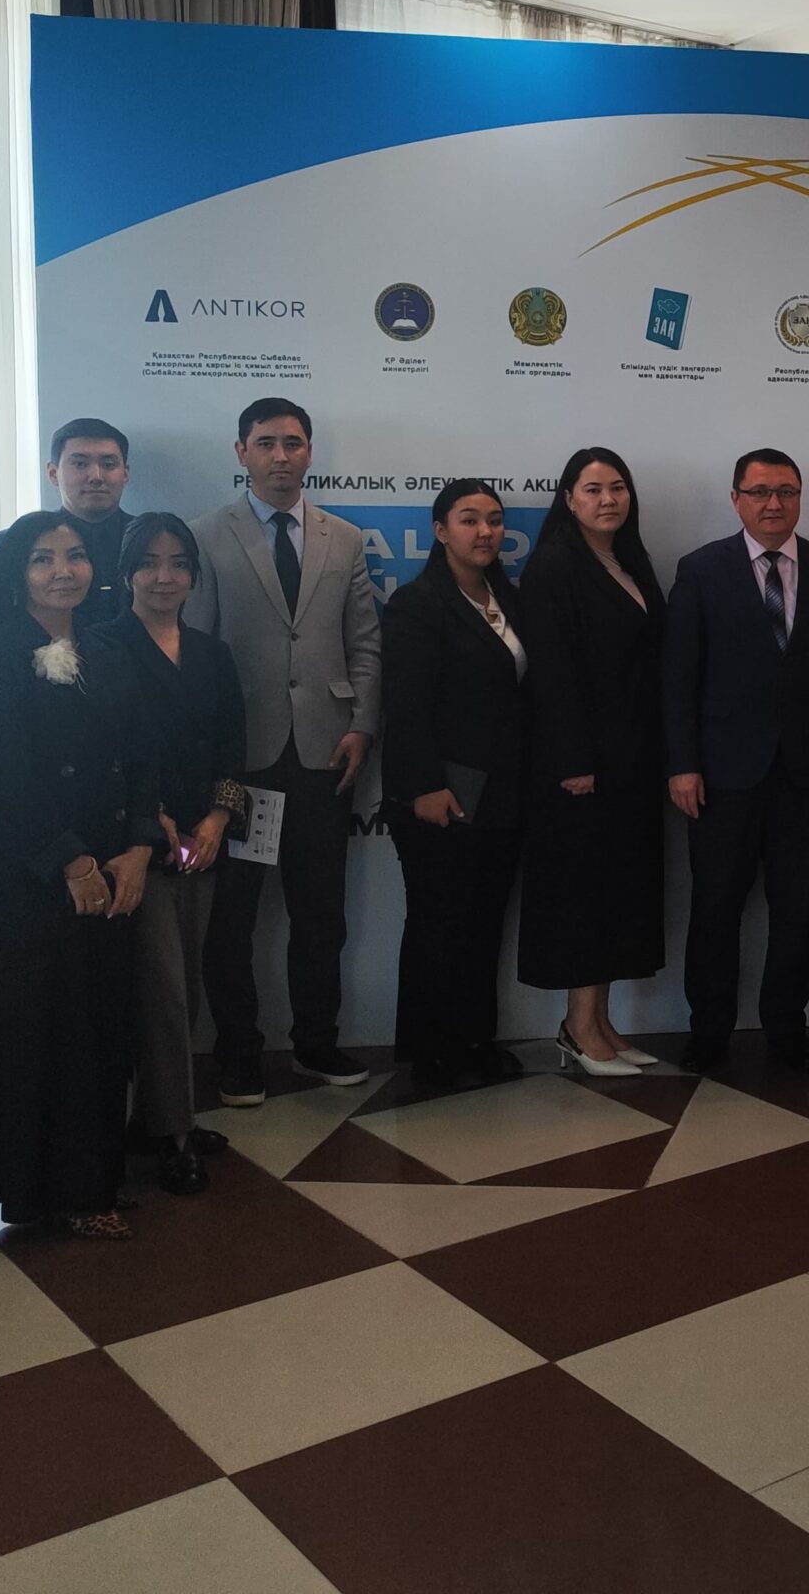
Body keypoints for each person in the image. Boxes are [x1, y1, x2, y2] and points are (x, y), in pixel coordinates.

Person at [0, 513, 157, 1238]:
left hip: (112, 867)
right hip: (29, 878)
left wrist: (138, 847)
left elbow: (142, 756)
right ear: (18, 571)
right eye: (42, 559)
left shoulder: (106, 648)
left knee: (100, 1028)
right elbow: (2, 777)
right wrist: (70, 861)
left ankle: (93, 1178)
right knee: (40, 1031)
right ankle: (41, 1191)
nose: (62, 571)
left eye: (74, 556)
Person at [187, 397, 382, 1104]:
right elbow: (197, 653)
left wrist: (362, 724)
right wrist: (211, 757)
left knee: (320, 915)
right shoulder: (204, 536)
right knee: (232, 920)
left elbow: (364, 642)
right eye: (265, 443)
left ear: (310, 452)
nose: (280, 456)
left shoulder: (344, 538)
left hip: (326, 756)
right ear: (240, 452)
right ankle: (238, 1055)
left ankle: (316, 1043)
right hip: (242, 762)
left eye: (293, 443)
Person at [662, 448, 809, 1074]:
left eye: (786, 491)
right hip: (721, 775)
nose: (773, 504)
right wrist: (683, 763)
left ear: (800, 497)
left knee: (797, 909)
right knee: (715, 906)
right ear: (735, 499)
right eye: (759, 492)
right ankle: (708, 1031)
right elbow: (679, 676)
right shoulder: (700, 569)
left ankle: (786, 1029)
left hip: (806, 773)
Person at [92, 513, 247, 1193]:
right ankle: (172, 1133)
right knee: (159, 988)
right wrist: (152, 821)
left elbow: (233, 748)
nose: (165, 577)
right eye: (150, 563)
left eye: (179, 564)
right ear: (127, 573)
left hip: (203, 845)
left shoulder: (213, 653)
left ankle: (159, 1113)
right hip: (135, 845)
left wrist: (217, 818)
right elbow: (106, 750)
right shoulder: (102, 646)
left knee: (185, 985)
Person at [519, 448, 667, 1077]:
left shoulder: (627, 560)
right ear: (569, 499)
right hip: (580, 768)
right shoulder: (554, 565)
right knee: (583, 893)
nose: (608, 499)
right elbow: (551, 673)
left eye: (618, 487)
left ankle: (601, 1022)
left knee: (616, 893)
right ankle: (578, 1028)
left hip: (629, 760)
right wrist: (573, 759)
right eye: (593, 488)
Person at [380, 480, 531, 1091]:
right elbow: (405, 703)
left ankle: (475, 1040)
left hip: (501, 792)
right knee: (437, 924)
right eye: (469, 520)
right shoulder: (417, 603)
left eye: (493, 519)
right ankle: (431, 1052)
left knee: (483, 923)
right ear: (441, 531)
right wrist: (425, 785)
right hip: (439, 792)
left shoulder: (507, 598)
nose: (484, 531)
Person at [45, 418, 137, 627]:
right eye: (80, 464)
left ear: (125, 474)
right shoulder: (23, 543)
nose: (96, 476)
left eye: (108, 464)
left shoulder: (150, 541)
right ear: (53, 473)